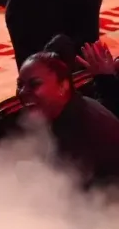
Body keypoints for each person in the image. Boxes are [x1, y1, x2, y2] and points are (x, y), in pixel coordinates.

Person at [17, 52, 119, 187]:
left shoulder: (81, 132)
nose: (23, 92)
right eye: (20, 85)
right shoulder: (75, 108)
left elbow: (66, 195)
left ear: (62, 86)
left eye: (34, 84)